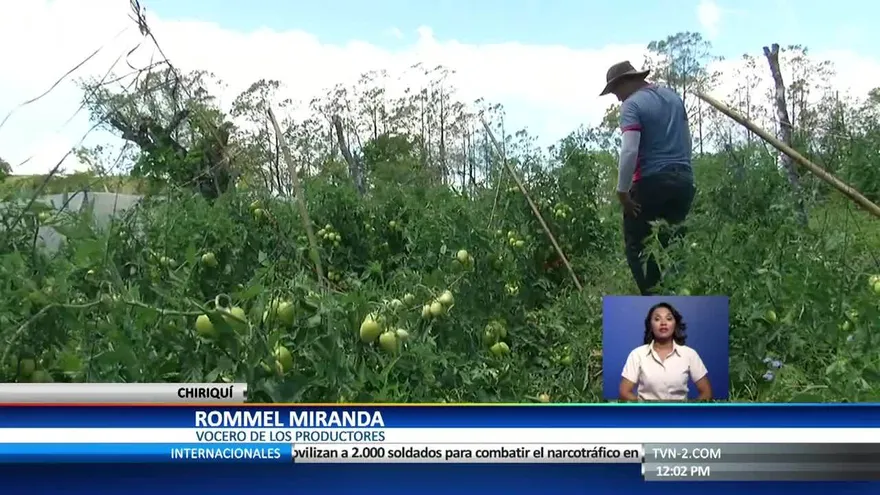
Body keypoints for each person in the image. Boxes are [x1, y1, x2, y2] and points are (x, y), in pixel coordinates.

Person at [600, 61, 696, 295]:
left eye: (615, 91)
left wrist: (622, 192)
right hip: (683, 181)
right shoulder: (673, 98)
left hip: (651, 184)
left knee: (638, 249)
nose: (617, 98)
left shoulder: (632, 105)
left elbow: (630, 150)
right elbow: (687, 140)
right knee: (672, 247)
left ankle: (653, 305)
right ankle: (675, 301)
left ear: (626, 82)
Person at [618, 302, 712, 401]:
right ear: (650, 325)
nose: (663, 323)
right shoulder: (637, 354)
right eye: (657, 319)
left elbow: (707, 393)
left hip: (679, 415)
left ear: (675, 324)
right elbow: (624, 392)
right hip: (646, 414)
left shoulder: (689, 354)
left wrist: (687, 412)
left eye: (669, 318)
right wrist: (646, 409)